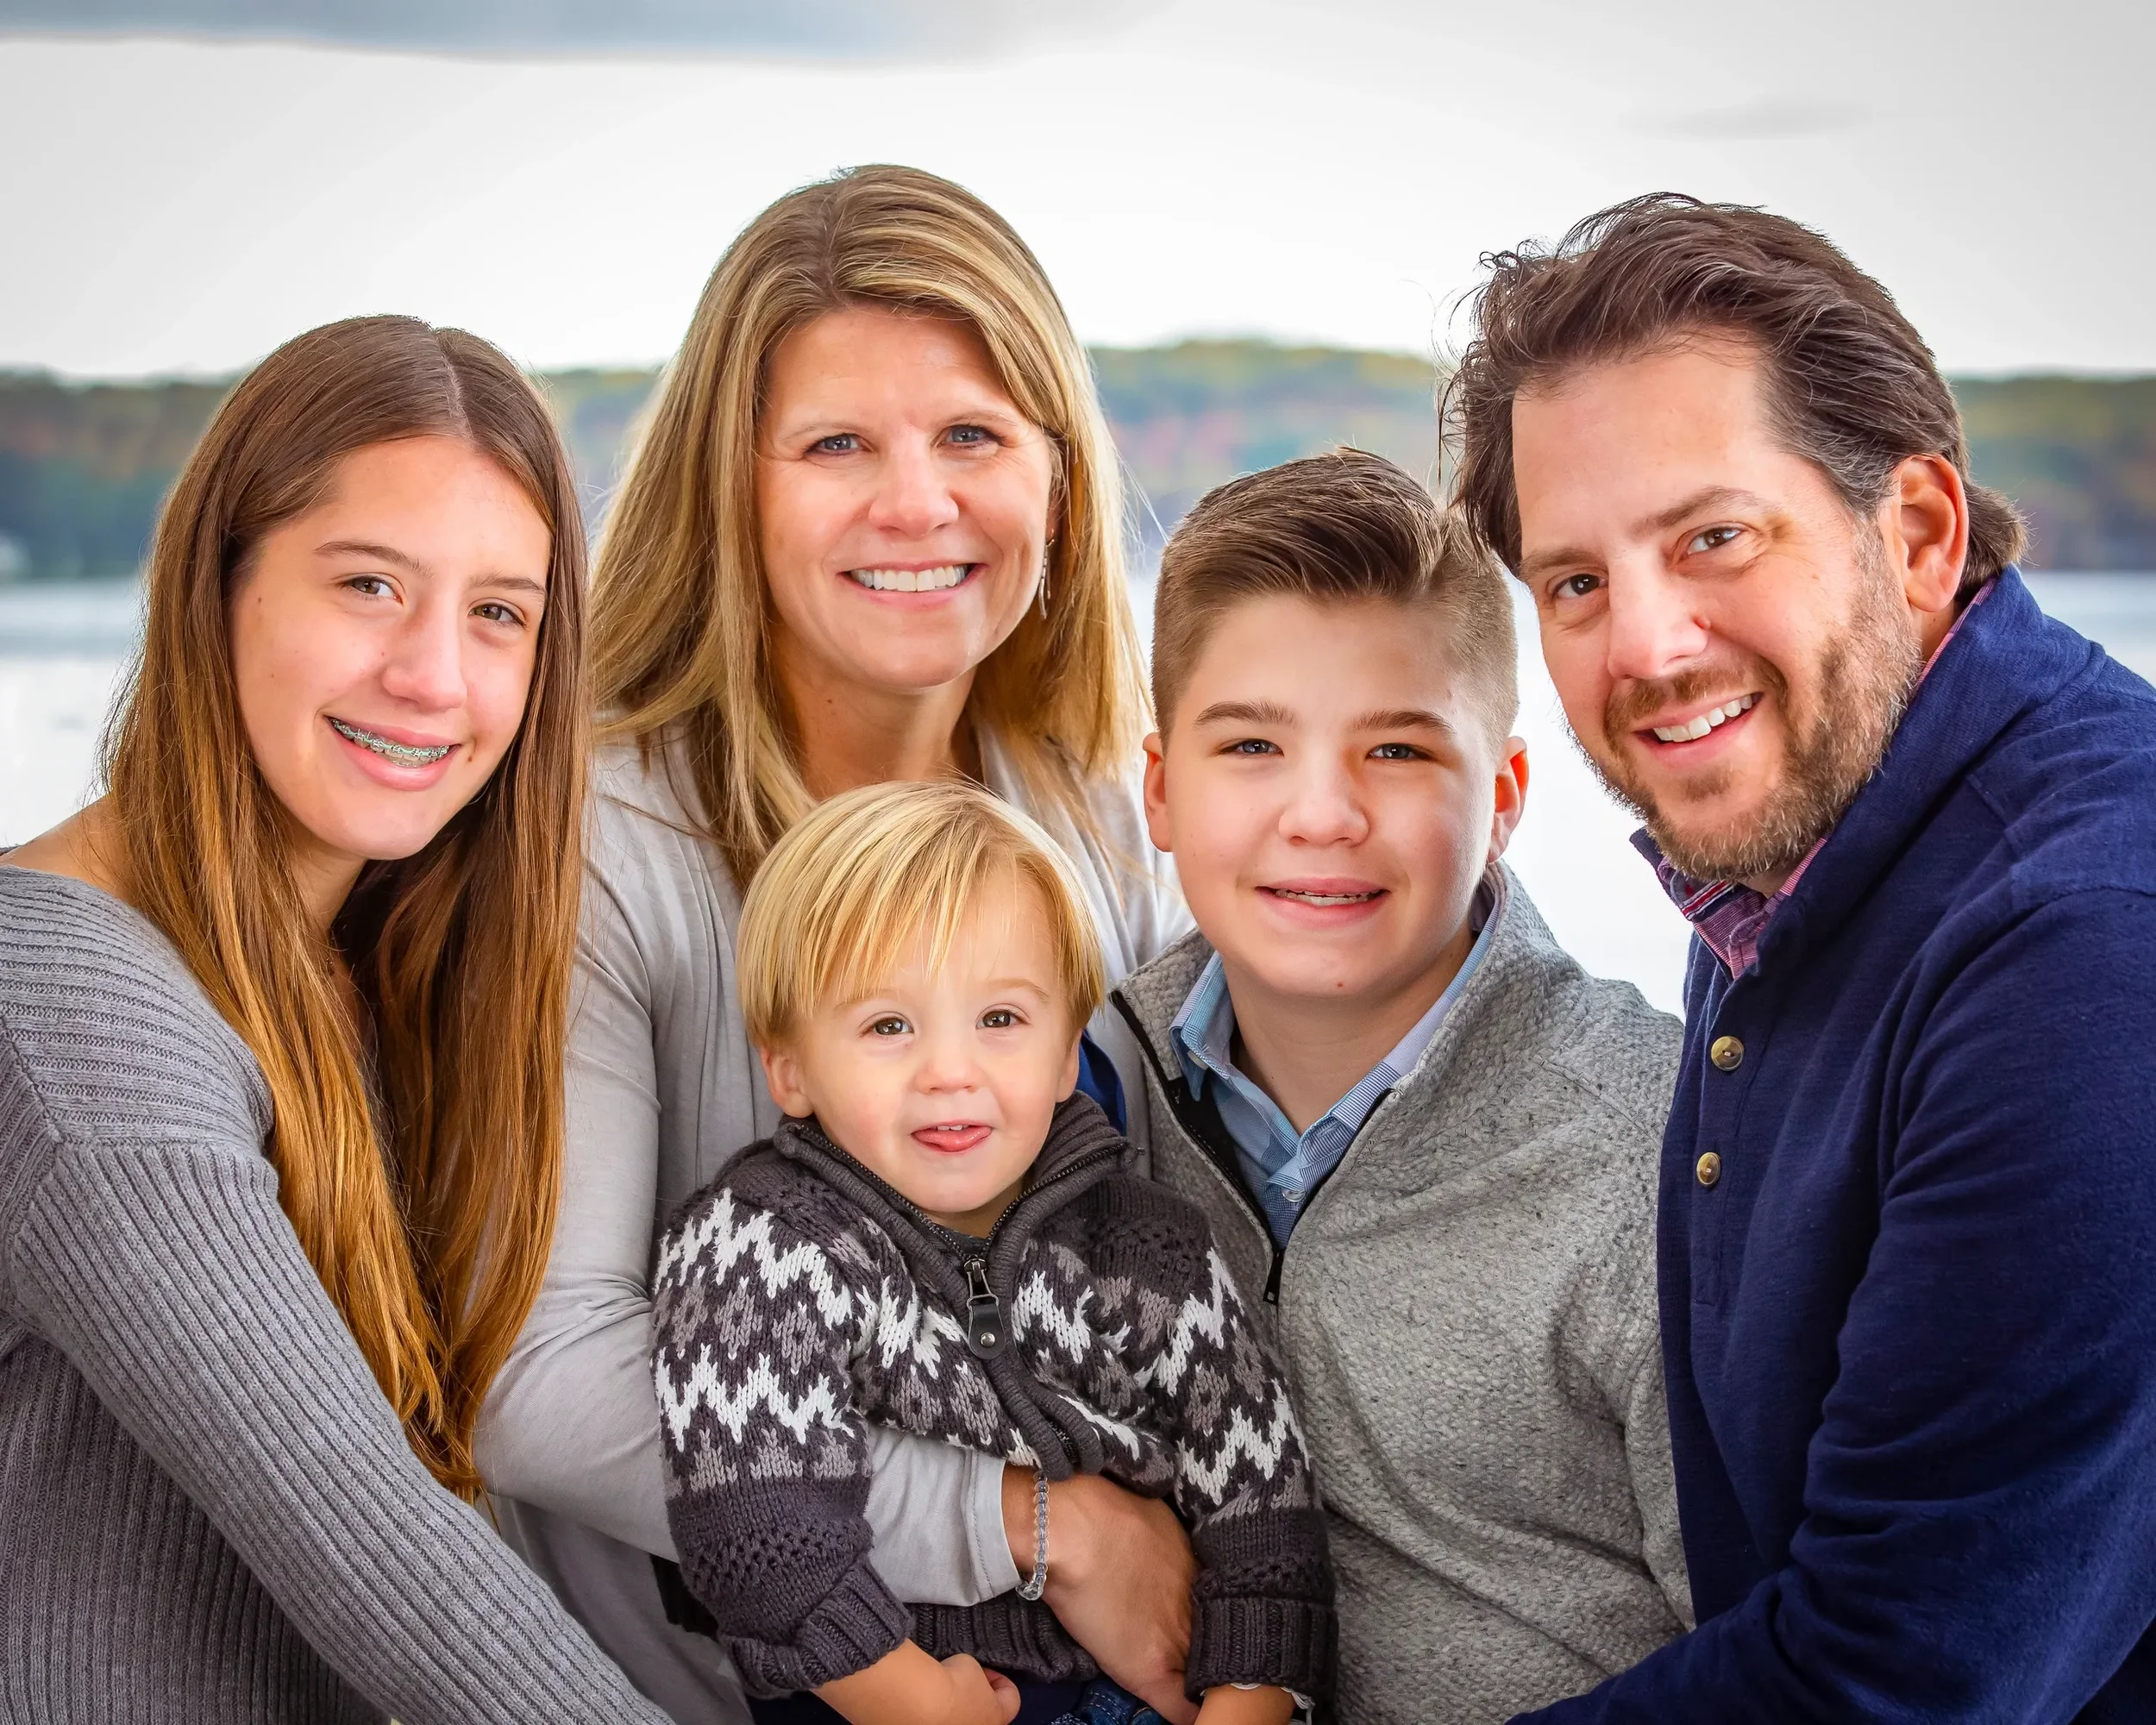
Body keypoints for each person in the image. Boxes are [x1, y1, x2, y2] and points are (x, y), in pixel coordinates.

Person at [479, 165, 1198, 1724]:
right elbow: (538, 1391)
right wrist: (1032, 1527)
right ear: (730, 492)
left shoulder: (1097, 812)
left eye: (972, 437)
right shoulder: (600, 843)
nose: (917, 504)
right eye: (835, 446)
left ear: (1059, 482)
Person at [1445, 194, 2156, 1721]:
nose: (1644, 647)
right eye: (1575, 581)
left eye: (1714, 537)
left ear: (1915, 535)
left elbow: (1895, 1680)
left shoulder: (2082, 950)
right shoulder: (1808, 832)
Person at [0, 316, 665, 1722]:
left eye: (500, 614)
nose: (434, 675)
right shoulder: (63, 1001)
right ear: (218, 588)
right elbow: (392, 1566)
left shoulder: (353, 976)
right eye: (369, 585)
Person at [1106, 449, 1691, 1723]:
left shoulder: (1657, 1154)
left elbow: (1798, 1654)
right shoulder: (1084, 1097)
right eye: (1252, 743)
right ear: (1160, 789)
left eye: (1398, 751)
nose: (1321, 814)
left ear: (1505, 796)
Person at [650, 781, 1334, 1725]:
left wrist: (1244, 1703)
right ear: (790, 1065)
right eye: (888, 1025)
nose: (950, 1070)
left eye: (1001, 1019)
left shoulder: (1150, 1249)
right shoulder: (762, 1243)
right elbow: (753, 1516)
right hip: (883, 1685)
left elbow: (1264, 1513)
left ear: (1066, 1053)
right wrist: (913, 1697)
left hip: (1141, 1687)